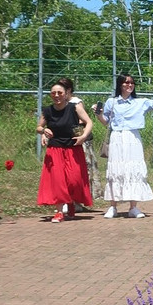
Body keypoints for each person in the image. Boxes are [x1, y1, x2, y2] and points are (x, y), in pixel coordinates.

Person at [94, 73, 153, 219]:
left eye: (131, 83)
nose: (129, 85)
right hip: (117, 137)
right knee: (116, 171)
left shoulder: (139, 102)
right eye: (126, 83)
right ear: (120, 85)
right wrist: (98, 114)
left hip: (133, 138)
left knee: (134, 171)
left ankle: (133, 207)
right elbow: (106, 122)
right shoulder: (111, 102)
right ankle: (113, 207)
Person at [36, 79, 94, 222]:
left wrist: (84, 136)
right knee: (58, 180)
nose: (56, 95)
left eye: (59, 92)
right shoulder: (47, 111)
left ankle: (71, 202)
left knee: (74, 180)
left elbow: (89, 122)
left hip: (73, 148)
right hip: (55, 149)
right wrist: (44, 131)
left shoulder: (74, 107)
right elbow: (38, 127)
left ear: (66, 93)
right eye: (53, 93)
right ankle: (59, 211)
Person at [59, 77, 101, 205]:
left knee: (82, 169)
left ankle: (77, 201)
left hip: (79, 140)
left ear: (69, 90)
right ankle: (67, 200)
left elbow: (83, 120)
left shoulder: (76, 102)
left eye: (62, 90)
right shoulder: (60, 103)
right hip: (64, 140)